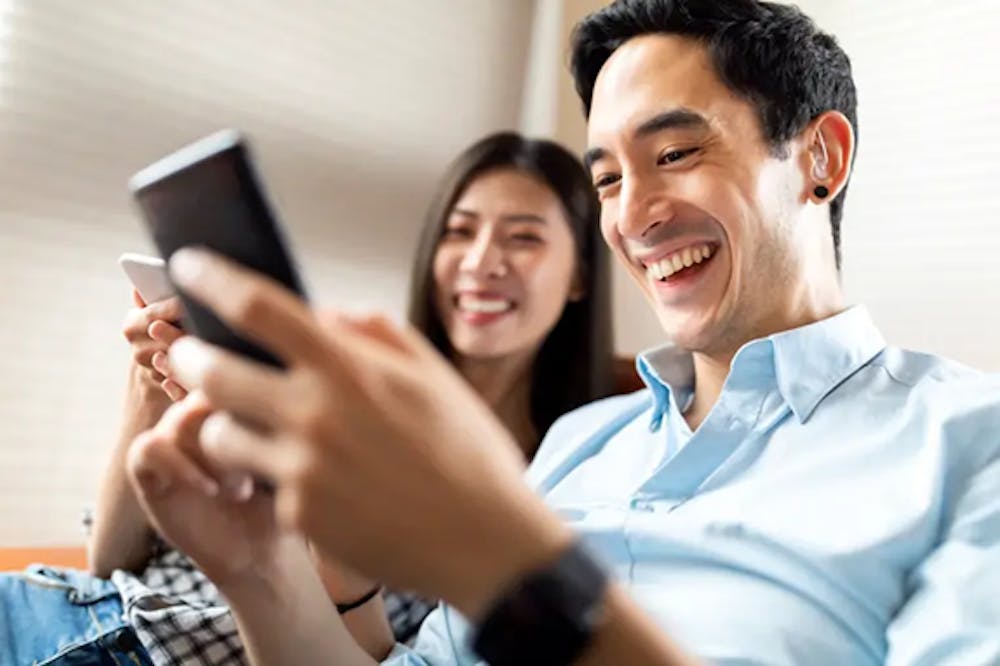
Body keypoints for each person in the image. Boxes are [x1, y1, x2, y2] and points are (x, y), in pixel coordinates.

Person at [125, 0, 1000, 664]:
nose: (635, 216)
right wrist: (262, 571)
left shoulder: (972, 443)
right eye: (609, 178)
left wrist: (522, 579)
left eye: (675, 155)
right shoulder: (583, 443)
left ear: (821, 158)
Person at [0, 133, 617, 664]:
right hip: (58, 612)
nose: (481, 262)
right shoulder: (336, 382)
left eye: (524, 237)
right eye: (460, 232)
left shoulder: (565, 481)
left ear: (581, 275)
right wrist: (148, 394)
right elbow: (109, 562)